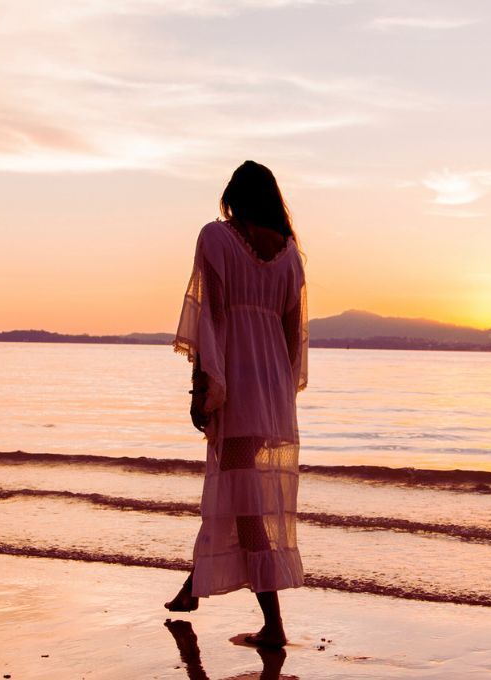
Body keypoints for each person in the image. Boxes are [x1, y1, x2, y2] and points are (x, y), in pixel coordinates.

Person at [166, 160, 308, 649]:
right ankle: (192, 587)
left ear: (233, 195)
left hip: (238, 385)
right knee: (237, 496)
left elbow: (210, 318)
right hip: (271, 392)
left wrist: (202, 387)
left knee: (244, 504)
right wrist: (281, 396)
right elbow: (294, 342)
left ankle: (272, 624)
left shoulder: (216, 238)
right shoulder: (291, 257)